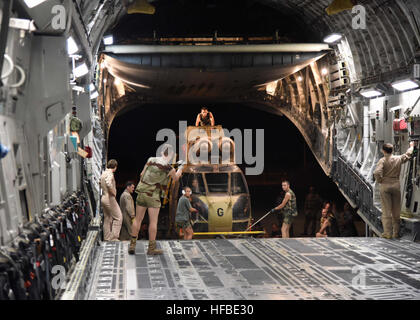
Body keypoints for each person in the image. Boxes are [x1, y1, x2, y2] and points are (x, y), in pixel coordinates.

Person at [129, 144, 183, 255]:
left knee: (138, 220)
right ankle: (151, 248)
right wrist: (181, 167)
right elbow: (176, 178)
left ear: (161, 152)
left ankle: (132, 245)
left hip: (142, 192)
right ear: (171, 154)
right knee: (153, 222)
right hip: (153, 196)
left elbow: (141, 174)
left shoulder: (151, 159)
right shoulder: (169, 168)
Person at [373, 141, 415, 239]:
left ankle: (388, 233)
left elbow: (377, 172)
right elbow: (408, 155)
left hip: (385, 185)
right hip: (396, 185)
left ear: (383, 151)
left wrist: (380, 180)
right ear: (393, 150)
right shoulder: (398, 158)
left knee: (386, 210)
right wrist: (412, 147)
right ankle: (396, 233)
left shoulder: (382, 160)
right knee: (396, 211)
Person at [100, 159, 122, 241]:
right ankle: (114, 237)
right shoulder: (110, 174)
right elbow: (108, 183)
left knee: (107, 218)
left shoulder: (103, 173)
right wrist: (113, 192)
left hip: (104, 198)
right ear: (115, 167)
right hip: (110, 198)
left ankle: (107, 237)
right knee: (118, 217)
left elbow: (100, 183)